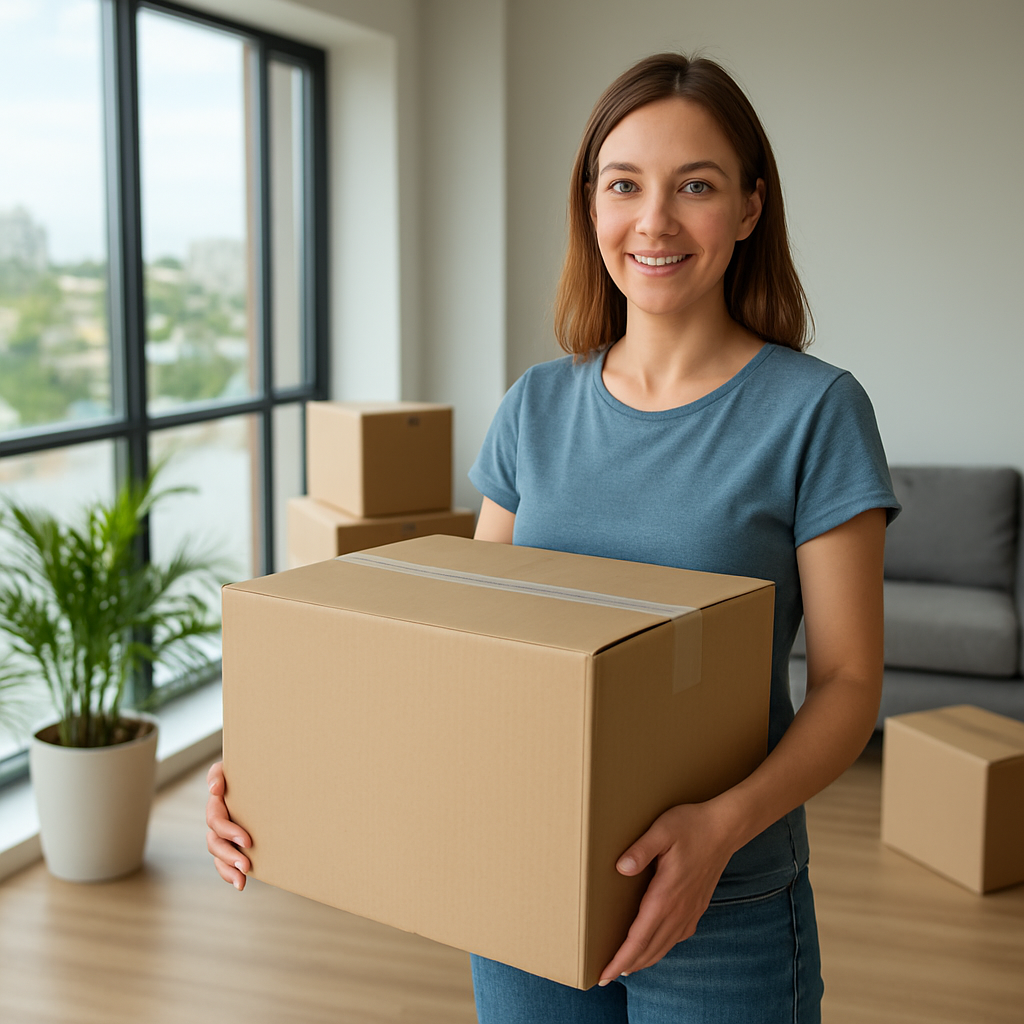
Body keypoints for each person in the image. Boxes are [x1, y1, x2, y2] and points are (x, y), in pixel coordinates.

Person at [208, 52, 899, 1024]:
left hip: (724, 895)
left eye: (693, 186)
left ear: (748, 207)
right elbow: (464, 651)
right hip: (521, 871)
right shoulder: (536, 406)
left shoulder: (814, 411)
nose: (653, 220)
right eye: (624, 185)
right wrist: (273, 762)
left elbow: (848, 686)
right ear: (588, 205)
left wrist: (716, 830)